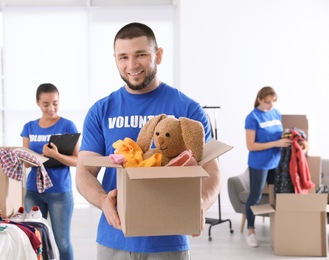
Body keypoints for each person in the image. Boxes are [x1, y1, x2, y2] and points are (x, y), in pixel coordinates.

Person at [76, 22, 221, 260]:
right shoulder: (101, 111)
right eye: (123, 57)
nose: (131, 65)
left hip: (169, 240)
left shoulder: (188, 109)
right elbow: (84, 171)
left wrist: (201, 203)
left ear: (159, 55)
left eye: (140, 54)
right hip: (115, 237)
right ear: (115, 59)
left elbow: (211, 170)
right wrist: (103, 202)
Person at [20, 83, 79, 260]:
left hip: (59, 192)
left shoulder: (67, 126)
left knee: (62, 242)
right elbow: (26, 162)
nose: (51, 108)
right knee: (36, 241)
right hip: (33, 192)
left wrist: (55, 155)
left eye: (55, 103)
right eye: (46, 104)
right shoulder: (29, 127)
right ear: (38, 103)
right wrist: (33, 158)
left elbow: (77, 161)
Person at [244, 86, 291, 248]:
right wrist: (276, 143)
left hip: (276, 162)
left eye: (273, 102)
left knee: (279, 193)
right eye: (268, 102)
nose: (271, 105)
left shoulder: (276, 113)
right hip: (259, 163)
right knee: (255, 196)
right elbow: (251, 145)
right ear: (260, 100)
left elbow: (278, 133)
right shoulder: (252, 118)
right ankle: (250, 230)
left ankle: (279, 228)